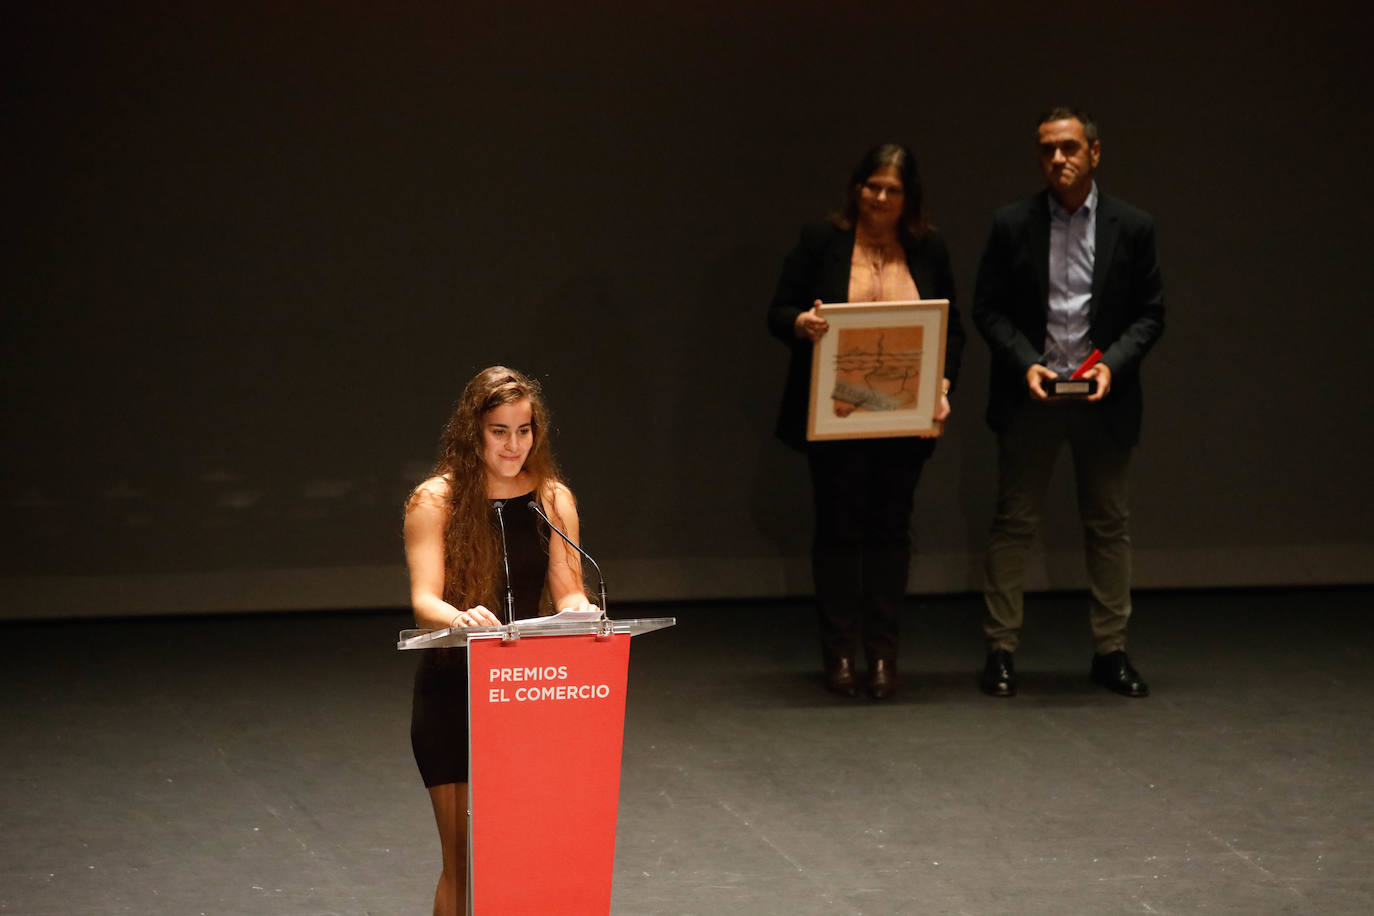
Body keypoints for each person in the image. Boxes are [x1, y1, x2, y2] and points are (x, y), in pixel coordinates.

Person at [972, 107, 1165, 698]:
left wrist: (1112, 364)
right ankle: (1000, 651)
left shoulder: (1131, 226)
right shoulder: (1012, 224)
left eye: (1070, 148)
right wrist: (1025, 361)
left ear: (1095, 153)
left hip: (1102, 396)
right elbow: (988, 309)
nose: (1058, 158)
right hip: (1031, 393)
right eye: (1047, 149)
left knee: (1108, 526)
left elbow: (1150, 313)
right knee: (1013, 526)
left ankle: (1111, 652)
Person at [767, 143, 965, 700]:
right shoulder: (821, 241)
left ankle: (882, 655)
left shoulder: (928, 247)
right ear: (856, 188)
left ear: (909, 198)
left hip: (903, 423)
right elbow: (777, 312)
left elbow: (954, 332)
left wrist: (942, 388)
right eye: (872, 185)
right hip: (837, 418)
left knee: (890, 535)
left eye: (892, 189)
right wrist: (803, 323)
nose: (880, 197)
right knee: (837, 534)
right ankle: (839, 656)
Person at [403, 366, 596, 915]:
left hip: (526, 694)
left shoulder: (553, 500)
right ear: (474, 432)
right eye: (499, 431)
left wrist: (580, 610)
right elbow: (425, 600)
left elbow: (569, 592)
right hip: (454, 694)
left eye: (524, 429)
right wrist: (460, 618)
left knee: (522, 859)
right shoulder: (435, 501)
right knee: (464, 863)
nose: (515, 444)